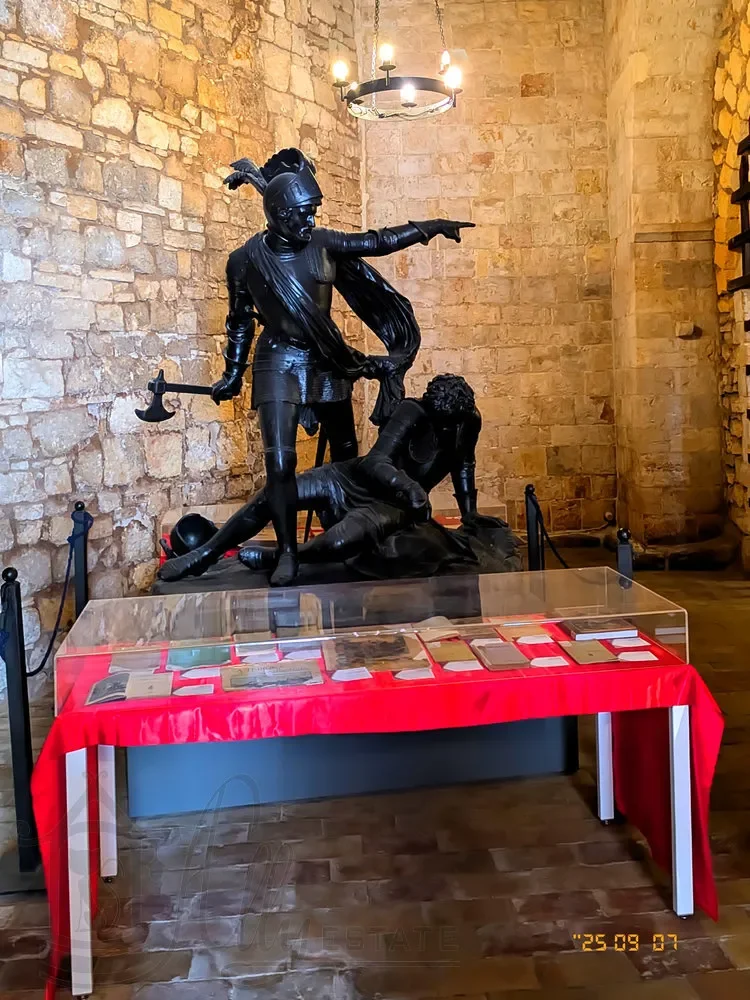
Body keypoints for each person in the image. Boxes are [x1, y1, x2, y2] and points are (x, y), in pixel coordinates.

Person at [211, 147, 473, 584]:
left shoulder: (322, 243)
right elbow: (239, 321)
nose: (311, 220)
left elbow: (377, 241)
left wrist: (429, 229)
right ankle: (288, 553)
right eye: (303, 213)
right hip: (277, 360)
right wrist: (233, 373)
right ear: (280, 214)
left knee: (347, 455)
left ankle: (348, 540)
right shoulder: (244, 261)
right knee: (280, 464)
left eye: (312, 212)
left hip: (326, 359)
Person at [159, 374, 481, 584]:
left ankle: (283, 556)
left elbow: (464, 465)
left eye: (448, 424)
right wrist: (409, 485)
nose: (443, 429)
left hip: (389, 506)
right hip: (352, 478)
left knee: (340, 542)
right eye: (438, 422)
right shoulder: (413, 410)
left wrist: (470, 516)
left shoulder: (468, 422)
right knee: (277, 493)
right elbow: (375, 461)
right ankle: (205, 554)